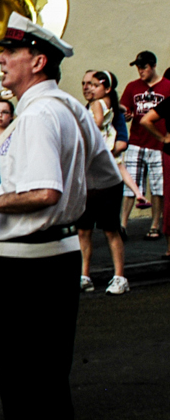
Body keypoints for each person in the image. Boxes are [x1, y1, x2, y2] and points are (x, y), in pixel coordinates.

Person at [0, 12, 121, 420]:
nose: (0, 61)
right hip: (58, 258)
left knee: (25, 386)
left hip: (29, 266)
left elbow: (44, 192)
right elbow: (105, 176)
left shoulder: (34, 115)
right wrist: (69, 214)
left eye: (9, 53)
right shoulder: (72, 109)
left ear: (37, 60)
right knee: (49, 384)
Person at [79, 70, 132, 295]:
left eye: (92, 84)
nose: (87, 87)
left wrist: (104, 152)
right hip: (87, 180)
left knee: (111, 229)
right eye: (84, 84)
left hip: (108, 179)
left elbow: (121, 142)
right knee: (83, 230)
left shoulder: (106, 111)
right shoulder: (85, 110)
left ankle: (120, 277)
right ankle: (84, 275)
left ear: (105, 88)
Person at [118, 51, 170, 234]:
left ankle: (155, 225)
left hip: (157, 143)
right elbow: (125, 108)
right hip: (136, 141)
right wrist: (126, 114)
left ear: (153, 66)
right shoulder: (133, 87)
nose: (141, 71)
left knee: (157, 187)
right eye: (138, 68)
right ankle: (122, 224)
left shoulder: (167, 86)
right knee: (131, 184)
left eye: (144, 67)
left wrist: (164, 138)